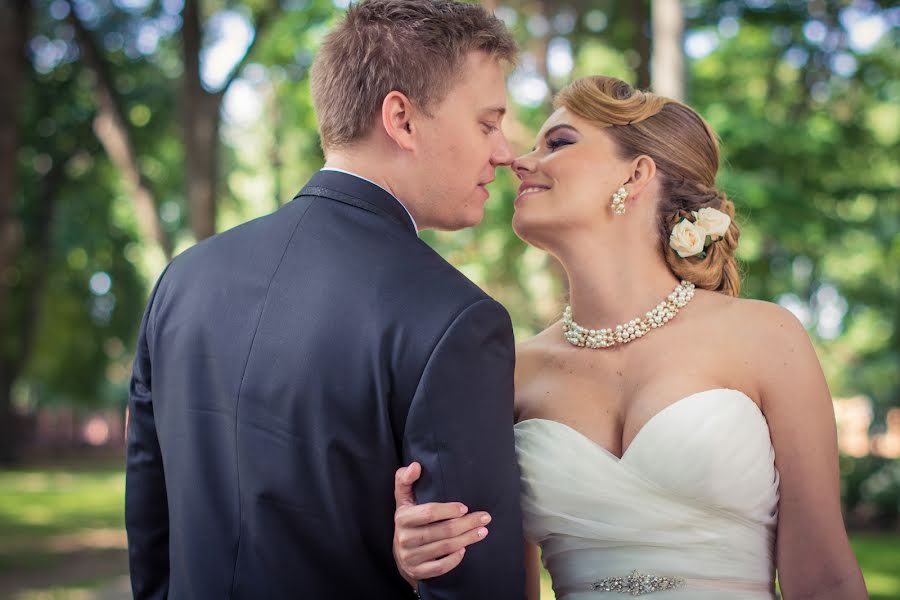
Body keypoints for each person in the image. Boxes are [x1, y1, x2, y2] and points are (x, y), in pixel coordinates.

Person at [391, 76, 868, 599]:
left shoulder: (766, 337)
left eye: (559, 143)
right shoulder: (511, 369)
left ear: (637, 174)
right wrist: (418, 557)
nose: (518, 162)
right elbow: (504, 584)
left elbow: (824, 576)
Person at [125, 1, 527, 598]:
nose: (503, 151)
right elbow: (471, 581)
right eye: (487, 123)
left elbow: (150, 523)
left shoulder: (182, 281)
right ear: (402, 118)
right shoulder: (454, 320)